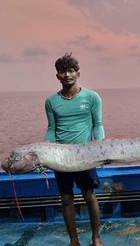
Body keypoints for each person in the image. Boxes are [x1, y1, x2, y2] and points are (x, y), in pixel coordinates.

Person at [45, 53, 105, 246]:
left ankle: (96, 237)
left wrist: (102, 147)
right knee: (66, 198)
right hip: (61, 156)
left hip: (86, 154)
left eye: (71, 70)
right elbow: (51, 128)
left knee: (89, 195)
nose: (67, 75)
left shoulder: (92, 97)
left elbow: (97, 124)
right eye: (63, 71)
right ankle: (74, 240)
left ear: (78, 73)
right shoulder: (51, 101)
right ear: (57, 76)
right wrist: (47, 152)